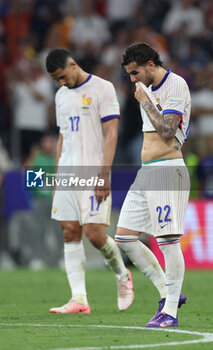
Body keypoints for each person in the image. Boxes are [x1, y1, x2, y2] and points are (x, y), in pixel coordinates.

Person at [45, 48, 134, 314]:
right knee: (69, 230)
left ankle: (122, 275)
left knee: (94, 235)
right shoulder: (61, 96)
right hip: (68, 174)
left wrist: (104, 174)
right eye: (56, 80)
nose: (61, 83)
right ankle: (79, 299)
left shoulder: (102, 88)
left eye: (62, 76)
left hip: (93, 172)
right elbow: (62, 139)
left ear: (73, 64)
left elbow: (112, 134)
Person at [115, 43, 191, 327]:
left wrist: (145, 100)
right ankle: (168, 292)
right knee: (123, 237)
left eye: (135, 72)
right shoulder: (147, 88)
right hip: (146, 172)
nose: (132, 79)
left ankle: (169, 312)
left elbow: (169, 131)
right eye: (129, 75)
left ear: (149, 64)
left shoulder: (175, 85)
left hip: (167, 171)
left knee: (168, 242)